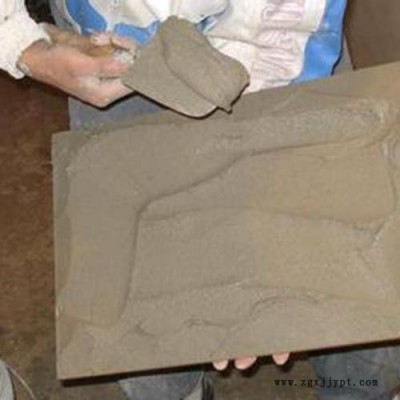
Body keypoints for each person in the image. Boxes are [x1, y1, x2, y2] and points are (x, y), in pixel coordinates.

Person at [4, 1, 399, 400]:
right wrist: (18, 39)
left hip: (295, 38)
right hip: (117, 45)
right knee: (138, 333)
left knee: (362, 310)